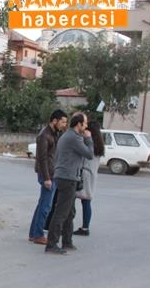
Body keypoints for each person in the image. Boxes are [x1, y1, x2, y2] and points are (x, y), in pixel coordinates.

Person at [45, 113, 94, 255]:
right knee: (61, 212)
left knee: (70, 212)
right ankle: (51, 244)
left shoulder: (70, 136)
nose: (86, 127)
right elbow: (89, 154)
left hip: (67, 177)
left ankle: (67, 241)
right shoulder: (73, 137)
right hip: (67, 178)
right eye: (84, 124)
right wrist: (89, 139)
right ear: (78, 124)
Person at [29, 109, 67, 244]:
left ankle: (34, 233)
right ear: (54, 121)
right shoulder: (44, 135)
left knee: (42, 204)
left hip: (52, 173)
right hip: (48, 175)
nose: (64, 125)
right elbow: (43, 158)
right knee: (46, 206)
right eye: (62, 122)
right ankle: (38, 234)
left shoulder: (55, 134)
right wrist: (47, 178)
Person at [73, 120, 106, 236]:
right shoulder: (100, 144)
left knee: (72, 199)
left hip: (84, 174)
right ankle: (85, 227)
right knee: (86, 201)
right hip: (92, 175)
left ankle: (69, 224)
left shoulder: (88, 142)